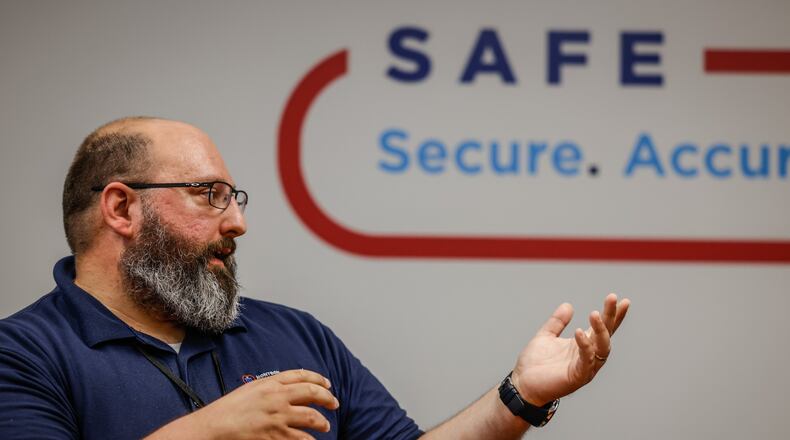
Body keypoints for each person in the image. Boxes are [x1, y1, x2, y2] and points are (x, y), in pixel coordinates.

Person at [0, 117, 630, 440]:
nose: (238, 222)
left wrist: (520, 395)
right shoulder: (23, 354)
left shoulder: (293, 335)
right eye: (209, 195)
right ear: (121, 208)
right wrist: (211, 430)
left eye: (235, 197)